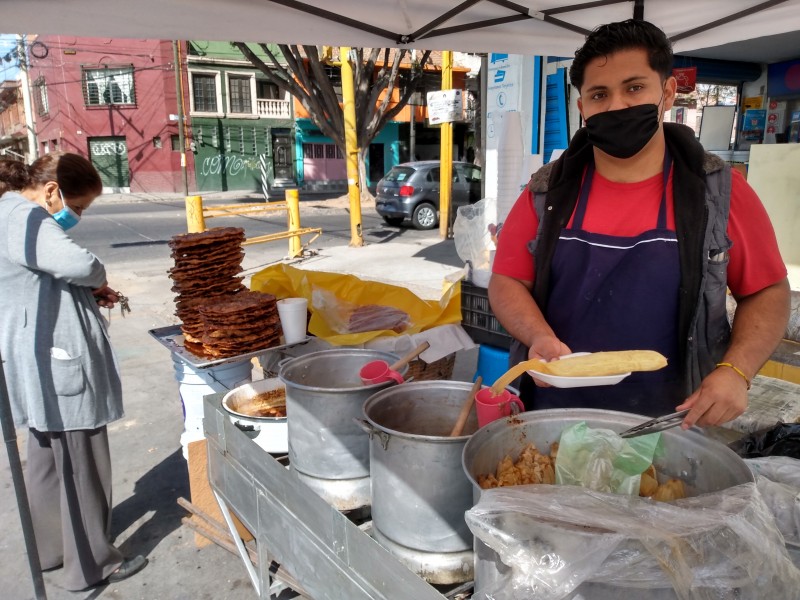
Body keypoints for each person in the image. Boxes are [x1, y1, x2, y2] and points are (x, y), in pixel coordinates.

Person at [489, 20, 790, 428]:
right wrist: (537, 335)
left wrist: (736, 371)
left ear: (666, 92)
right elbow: (507, 282)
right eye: (599, 94)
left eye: (634, 88)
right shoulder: (546, 193)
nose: (616, 106)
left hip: (675, 423)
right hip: (553, 418)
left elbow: (768, 291)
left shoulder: (719, 193)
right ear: (583, 108)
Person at [0, 153, 147, 590]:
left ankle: (52, 549)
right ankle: (91, 564)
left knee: (46, 460)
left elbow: (43, 278)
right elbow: (79, 265)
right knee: (81, 463)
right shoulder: (28, 217)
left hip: (34, 359)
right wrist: (97, 278)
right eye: (77, 207)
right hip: (57, 363)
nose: (75, 216)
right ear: (51, 191)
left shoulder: (7, 212)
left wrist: (85, 294)